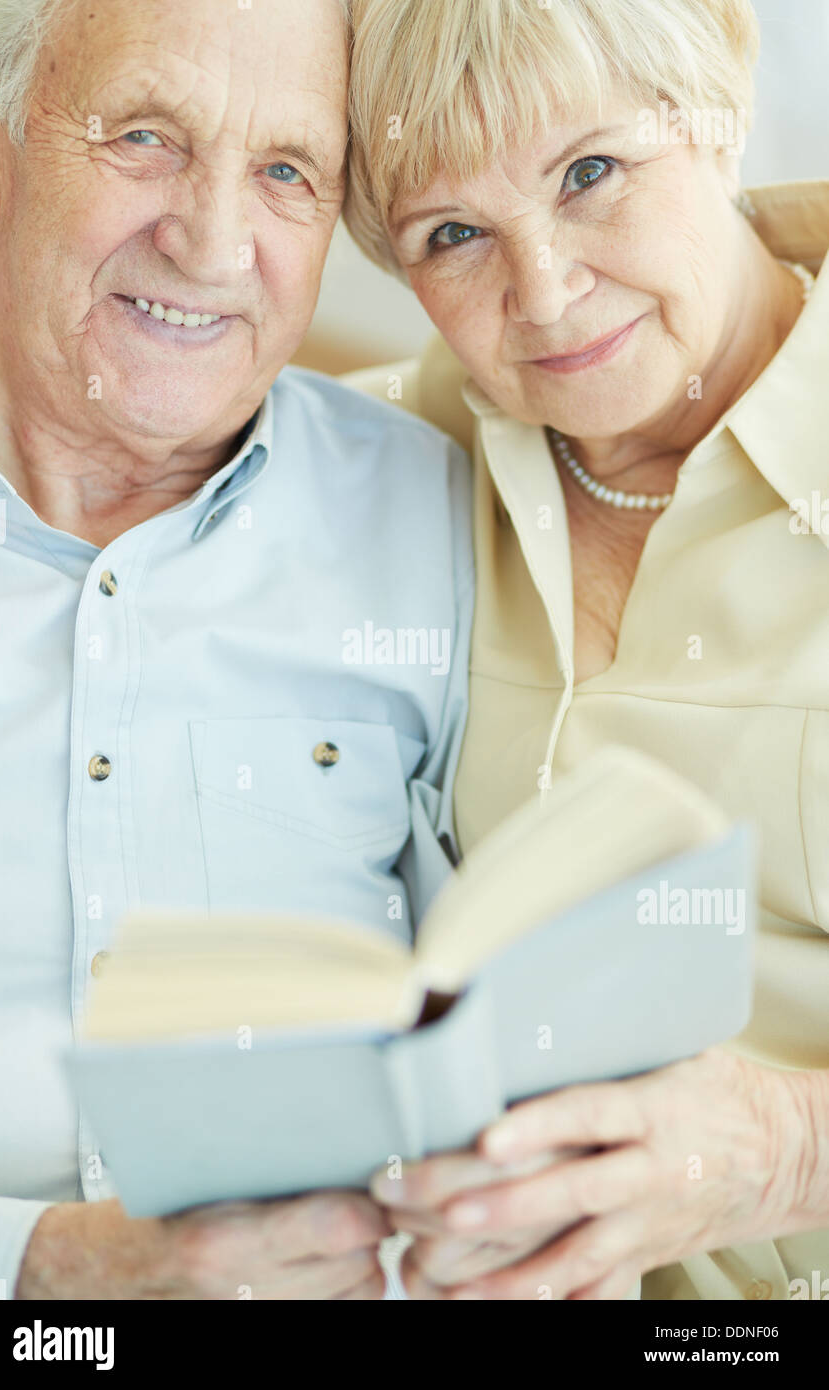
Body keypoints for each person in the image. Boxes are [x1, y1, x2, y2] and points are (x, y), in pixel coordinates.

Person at [0, 0, 472, 1300]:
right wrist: (35, 1268)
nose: (209, 242)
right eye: (144, 136)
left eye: (286, 172)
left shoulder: (449, 514)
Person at [345, 0, 829, 1300]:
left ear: (717, 106)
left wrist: (786, 1151)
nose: (544, 292)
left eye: (590, 174)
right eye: (453, 235)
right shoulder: (392, 460)